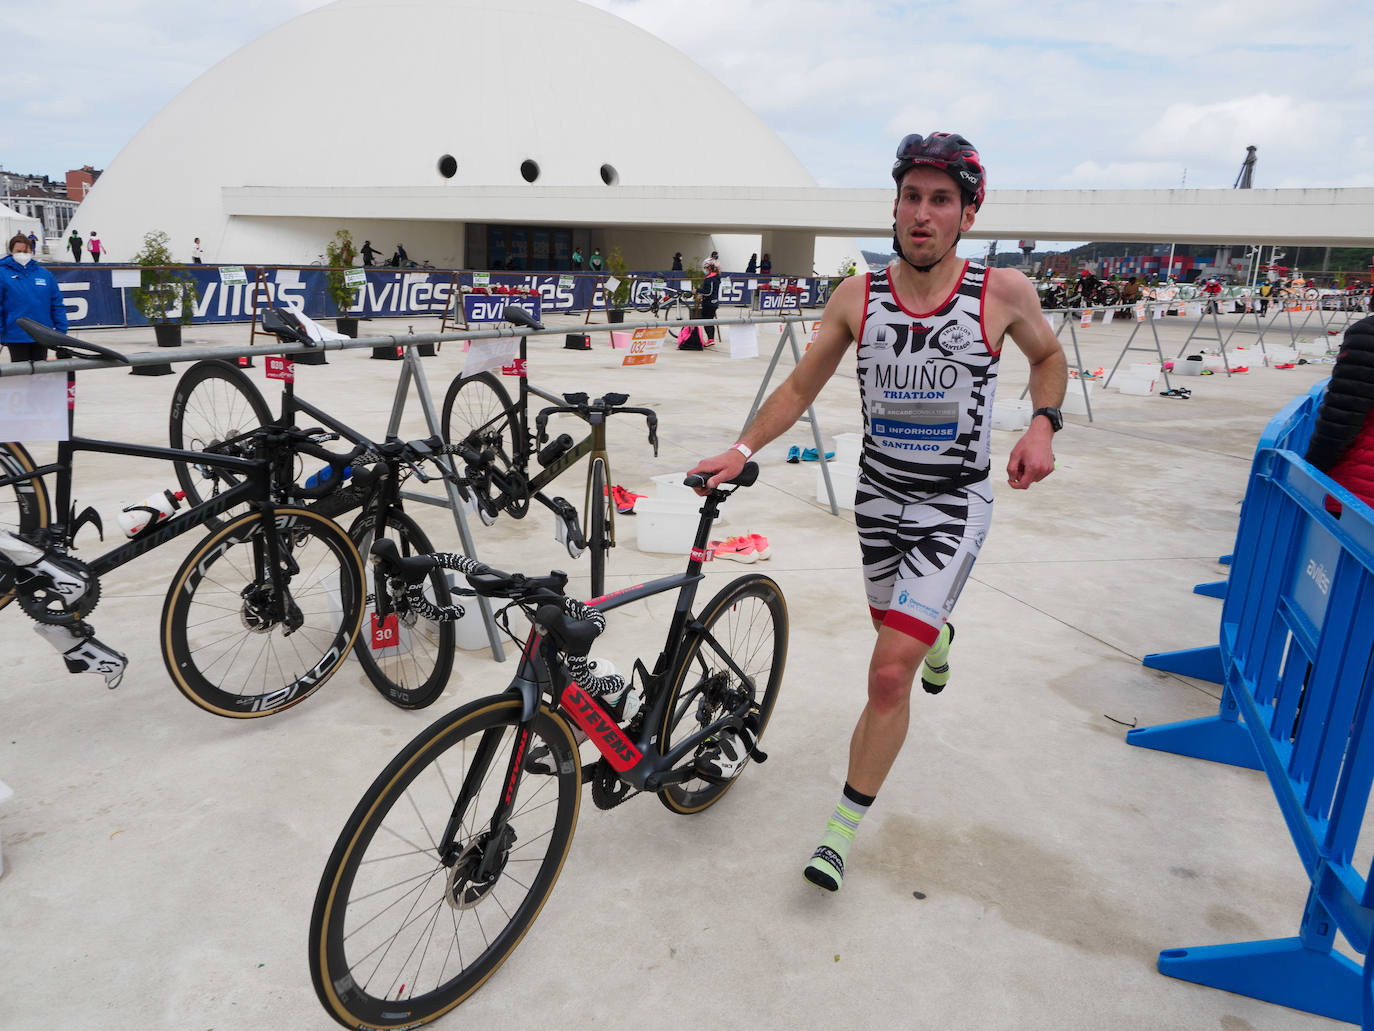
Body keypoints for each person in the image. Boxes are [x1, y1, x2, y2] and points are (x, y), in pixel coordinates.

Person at [689, 132, 1066, 894]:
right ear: (893, 207)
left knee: (886, 675)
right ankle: (939, 637)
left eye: (940, 200)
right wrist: (742, 446)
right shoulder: (858, 296)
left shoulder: (1001, 293)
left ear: (966, 214)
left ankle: (838, 831)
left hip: (952, 505)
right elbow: (798, 389)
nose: (921, 214)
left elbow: (1048, 358)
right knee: (895, 637)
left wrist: (1042, 423)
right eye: (910, 197)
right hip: (878, 502)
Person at [0, 233, 69, 363]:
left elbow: (56, 304)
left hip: (42, 335)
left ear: (31, 251)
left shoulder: (45, 274)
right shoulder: (2, 273)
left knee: (40, 375)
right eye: (18, 251)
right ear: (11, 252)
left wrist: (61, 330)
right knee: (21, 375)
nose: (22, 254)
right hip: (16, 336)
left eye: (25, 251)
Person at [696, 263, 720, 342]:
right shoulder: (716, 277)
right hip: (713, 302)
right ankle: (711, 338)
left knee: (706, 321)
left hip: (709, 303)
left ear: (709, 269)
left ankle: (710, 339)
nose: (704, 270)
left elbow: (708, 292)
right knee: (710, 321)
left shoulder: (710, 279)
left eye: (705, 268)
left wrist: (698, 291)